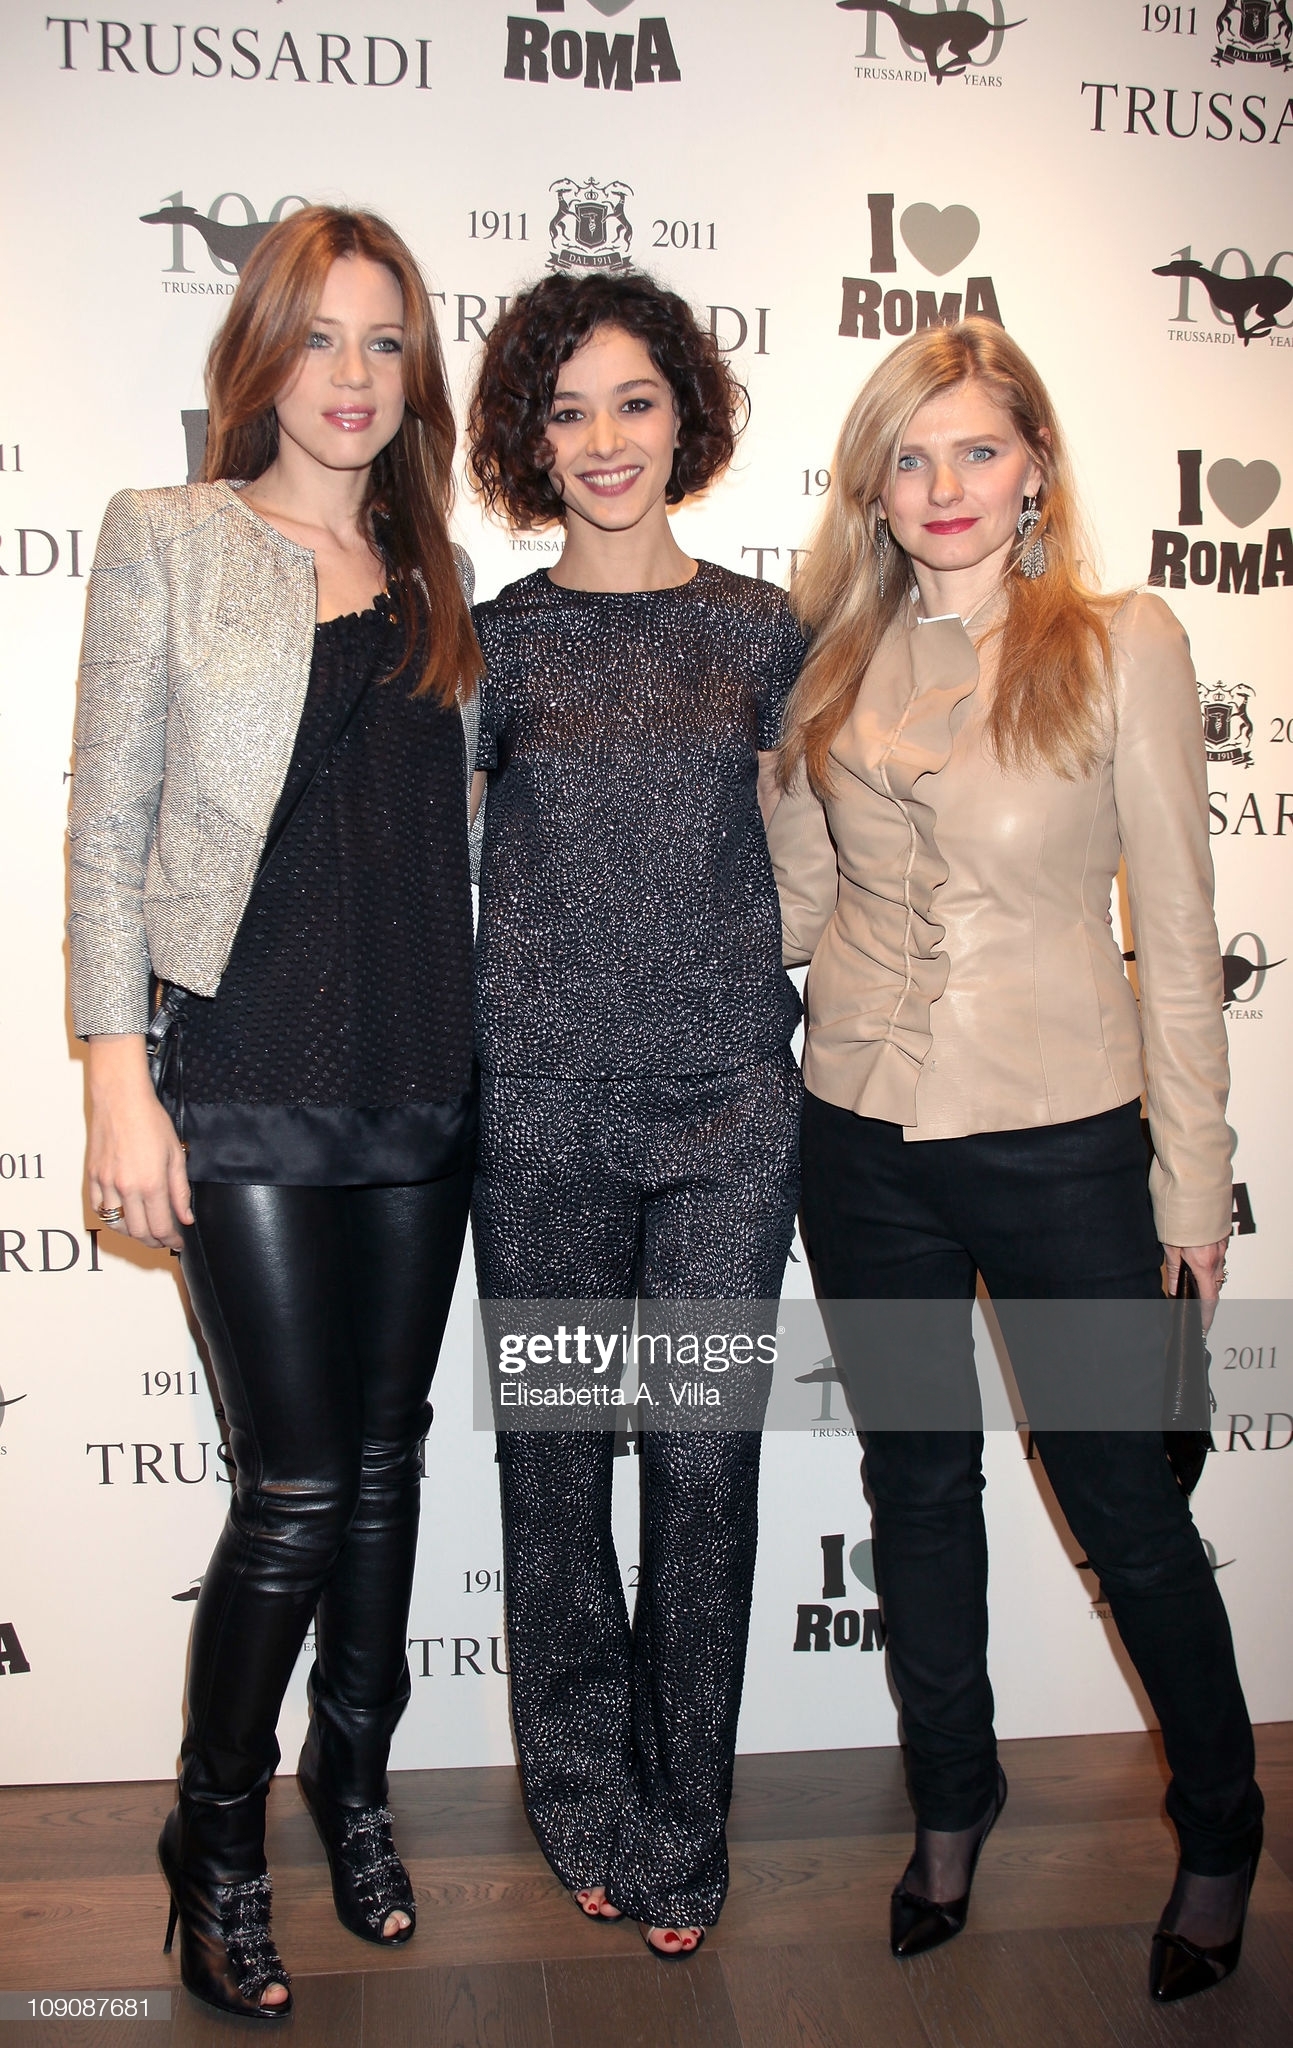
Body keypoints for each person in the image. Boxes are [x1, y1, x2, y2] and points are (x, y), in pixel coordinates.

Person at [768, 319, 1262, 2005]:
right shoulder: (829, 664)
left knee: (1124, 1505)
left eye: (977, 449)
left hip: (1059, 1145)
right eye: (908, 459)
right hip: (859, 1147)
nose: (943, 486)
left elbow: (1176, 935)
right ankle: (950, 1802)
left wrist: (1190, 1183)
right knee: (913, 1489)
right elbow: (793, 903)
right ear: (871, 491)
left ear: (1034, 464)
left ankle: (1220, 1827)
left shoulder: (1122, 644)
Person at [68, 205, 481, 2021]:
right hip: (242, 1069)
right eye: (320, 335)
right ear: (260, 352)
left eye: (385, 340)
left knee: (385, 1468)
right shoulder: (167, 537)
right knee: (299, 1484)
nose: (352, 374)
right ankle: (217, 1840)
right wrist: (114, 1068)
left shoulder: (437, 575)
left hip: (421, 1069)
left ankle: (354, 1789)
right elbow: (107, 822)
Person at [465, 270, 804, 1958]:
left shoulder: (767, 633)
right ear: (531, 440)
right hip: (538, 1118)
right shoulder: (493, 645)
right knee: (553, 1474)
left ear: (687, 416)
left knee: (700, 1471)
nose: (604, 439)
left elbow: (832, 866)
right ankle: (580, 1792)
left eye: (634, 400)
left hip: (729, 1118)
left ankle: (685, 1819)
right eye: (567, 408)